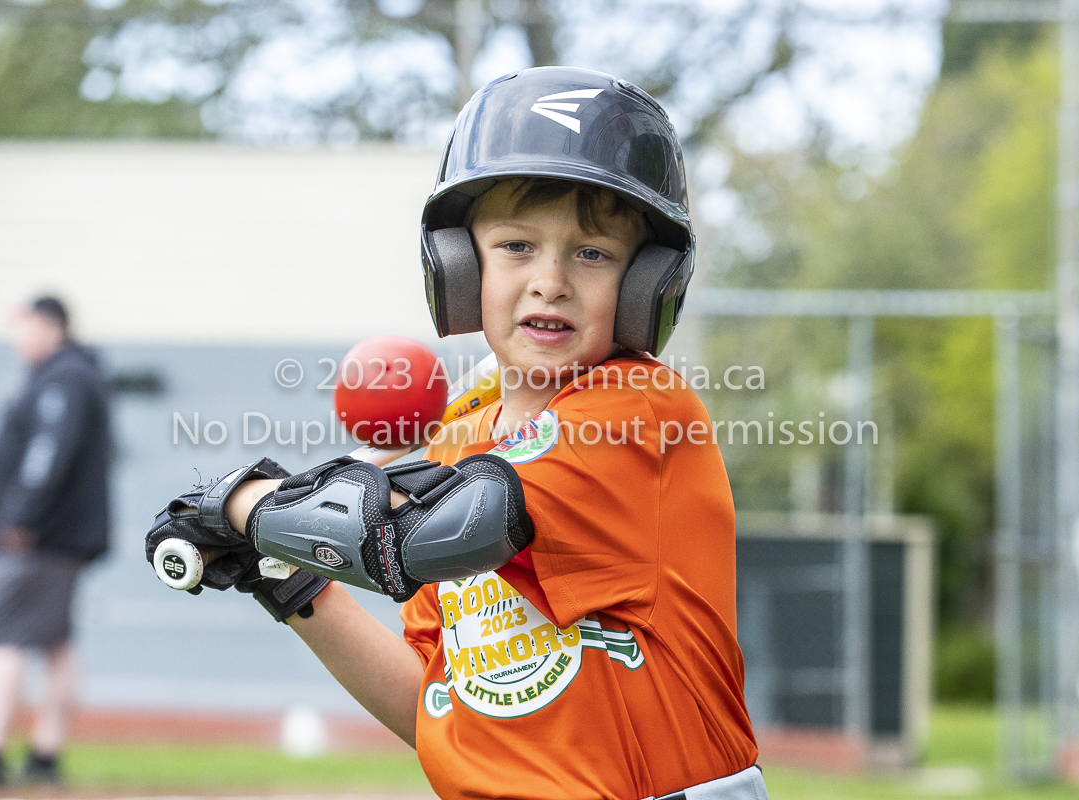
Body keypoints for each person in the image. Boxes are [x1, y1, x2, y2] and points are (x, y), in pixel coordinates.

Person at [146, 67, 765, 799]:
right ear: (459, 265)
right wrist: (285, 577)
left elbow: (432, 535)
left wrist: (247, 507)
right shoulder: (452, 450)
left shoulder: (638, 408)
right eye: (515, 246)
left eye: (592, 253)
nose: (551, 281)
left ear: (647, 284)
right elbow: (438, 705)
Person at [0, 297, 111, 785]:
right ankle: (45, 756)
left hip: (35, 539)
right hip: (54, 538)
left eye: (24, 326)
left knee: (3, 638)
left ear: (51, 327)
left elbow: (48, 452)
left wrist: (20, 516)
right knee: (56, 642)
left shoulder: (63, 378)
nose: (17, 338)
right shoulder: (65, 375)